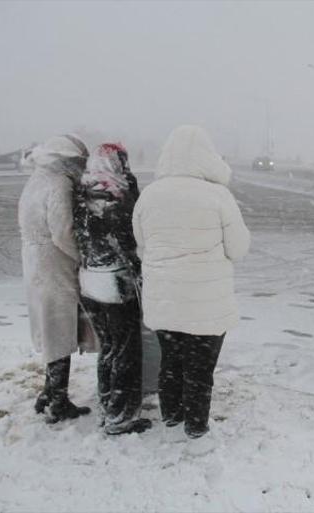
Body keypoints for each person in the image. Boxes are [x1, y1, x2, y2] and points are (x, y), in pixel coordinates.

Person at [133, 125, 250, 439]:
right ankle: (196, 432)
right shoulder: (218, 196)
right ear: (207, 156)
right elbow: (238, 248)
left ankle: (172, 422)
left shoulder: (149, 195)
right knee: (200, 371)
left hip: (164, 301)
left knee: (170, 363)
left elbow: (141, 244)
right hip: (205, 305)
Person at [73, 143, 151, 435]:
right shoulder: (116, 195)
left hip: (89, 282)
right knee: (126, 351)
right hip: (115, 284)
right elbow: (133, 238)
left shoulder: (82, 192)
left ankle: (107, 403)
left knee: (108, 347)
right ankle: (121, 417)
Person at [18, 134, 94, 423]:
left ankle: (50, 392)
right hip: (54, 263)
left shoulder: (37, 178)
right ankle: (57, 400)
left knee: (49, 327)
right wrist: (82, 257)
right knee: (59, 329)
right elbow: (63, 231)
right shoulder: (59, 183)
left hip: (35, 260)